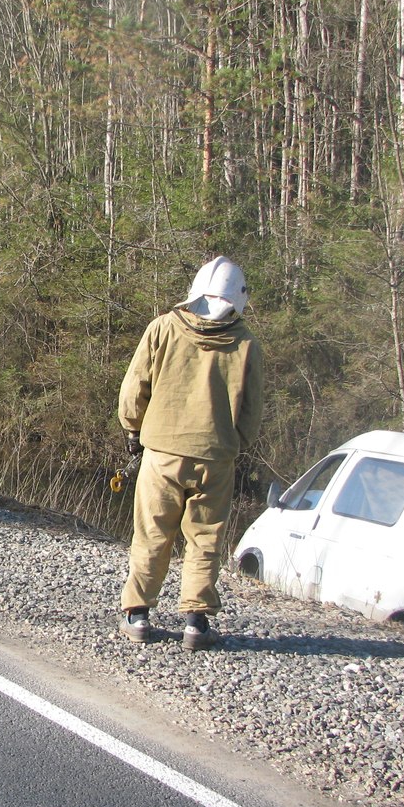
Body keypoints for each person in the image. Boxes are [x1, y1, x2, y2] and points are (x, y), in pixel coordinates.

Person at [117, 256, 264, 651]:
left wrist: (133, 431)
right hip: (216, 458)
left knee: (152, 534)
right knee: (205, 540)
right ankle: (196, 622)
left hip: (162, 453)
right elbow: (252, 411)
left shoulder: (163, 328)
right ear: (237, 298)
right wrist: (233, 445)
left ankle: (138, 614)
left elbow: (135, 390)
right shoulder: (246, 342)